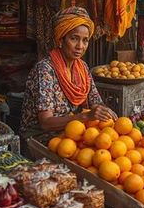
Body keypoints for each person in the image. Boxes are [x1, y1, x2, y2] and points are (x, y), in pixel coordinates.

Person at [21, 7, 117, 138]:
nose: (80, 46)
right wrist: (85, 116)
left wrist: (103, 111)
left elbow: (95, 102)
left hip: (71, 132)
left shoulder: (82, 67)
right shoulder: (44, 70)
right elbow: (46, 122)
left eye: (85, 40)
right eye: (74, 38)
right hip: (41, 136)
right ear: (61, 40)